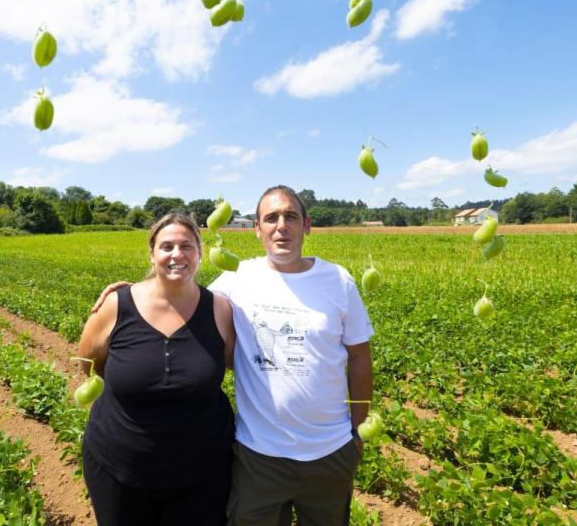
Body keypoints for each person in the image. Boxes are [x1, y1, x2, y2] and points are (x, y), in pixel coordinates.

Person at [92, 187, 374, 525]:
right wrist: (126, 294)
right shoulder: (237, 279)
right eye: (271, 218)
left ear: (307, 225)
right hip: (258, 455)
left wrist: (357, 430)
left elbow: (359, 355)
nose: (281, 226)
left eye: (291, 217)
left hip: (329, 452)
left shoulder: (338, 281)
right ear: (257, 228)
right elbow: (180, 293)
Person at [78, 212, 237, 526]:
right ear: (152, 254)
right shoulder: (116, 305)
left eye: (186, 246)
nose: (177, 254)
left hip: (203, 473)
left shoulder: (219, 309)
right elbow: (87, 364)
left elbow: (235, 362)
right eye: (167, 246)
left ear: (200, 253)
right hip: (120, 469)